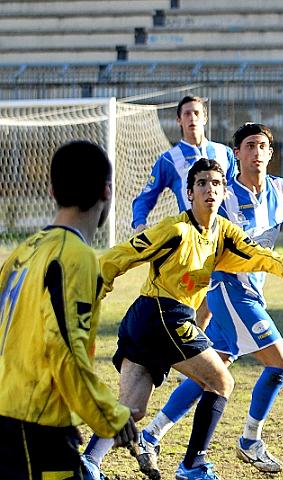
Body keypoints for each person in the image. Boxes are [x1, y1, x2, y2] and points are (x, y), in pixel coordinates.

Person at [80, 158, 283, 480]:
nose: (210, 189)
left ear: (224, 193)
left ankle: (89, 463)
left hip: (149, 320)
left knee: (132, 409)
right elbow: (122, 255)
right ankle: (193, 465)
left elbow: (256, 253)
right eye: (202, 184)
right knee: (221, 382)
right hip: (163, 314)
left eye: (217, 184)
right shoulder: (175, 230)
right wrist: (91, 291)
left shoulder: (223, 232)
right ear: (189, 193)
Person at [133, 123, 283, 478]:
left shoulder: (281, 192)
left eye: (262, 145)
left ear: (271, 152)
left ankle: (151, 434)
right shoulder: (222, 195)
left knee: (213, 372)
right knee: (280, 364)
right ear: (236, 154)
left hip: (252, 293)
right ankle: (250, 440)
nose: (256, 152)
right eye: (249, 145)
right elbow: (200, 236)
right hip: (228, 290)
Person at [0, 140, 137, 480]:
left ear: (52, 190)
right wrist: (108, 415)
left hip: (20, 417)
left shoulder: (22, 252)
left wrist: (65, 411)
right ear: (107, 191)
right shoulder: (75, 256)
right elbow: (65, 349)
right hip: (30, 426)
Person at [132, 95, 236, 234]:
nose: (192, 117)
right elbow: (145, 197)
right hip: (191, 235)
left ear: (205, 118)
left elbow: (236, 191)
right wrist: (140, 224)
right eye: (187, 114)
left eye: (196, 113)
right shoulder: (169, 159)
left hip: (224, 233)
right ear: (179, 120)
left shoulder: (225, 152)